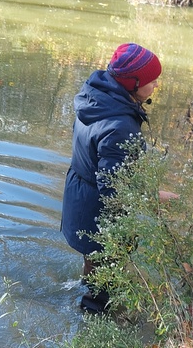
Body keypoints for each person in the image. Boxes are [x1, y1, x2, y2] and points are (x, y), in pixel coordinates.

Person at [61, 42, 169, 314]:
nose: (156, 84)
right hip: (98, 211)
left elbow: (103, 155)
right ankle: (93, 327)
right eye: (150, 80)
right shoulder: (120, 125)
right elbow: (113, 188)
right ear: (132, 83)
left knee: (94, 261)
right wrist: (152, 196)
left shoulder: (95, 96)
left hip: (80, 195)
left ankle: (89, 288)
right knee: (105, 279)